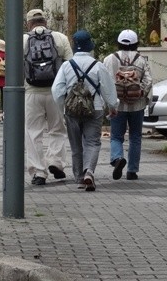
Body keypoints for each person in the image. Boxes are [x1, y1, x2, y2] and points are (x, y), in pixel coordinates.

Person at [52, 30, 119, 191]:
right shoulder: (98, 66)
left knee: (76, 147)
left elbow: (56, 90)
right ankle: (89, 171)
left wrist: (63, 105)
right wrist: (112, 106)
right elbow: (108, 90)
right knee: (92, 142)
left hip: (72, 111)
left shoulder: (67, 66)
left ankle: (80, 179)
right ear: (90, 46)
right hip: (94, 109)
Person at [23, 8, 73, 185]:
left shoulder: (23, 39)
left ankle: (39, 172)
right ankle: (56, 162)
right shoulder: (60, 38)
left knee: (33, 133)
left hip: (31, 92)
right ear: (45, 21)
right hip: (55, 92)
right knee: (57, 129)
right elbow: (69, 65)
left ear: (29, 23)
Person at [103, 29, 152, 181]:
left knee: (116, 136)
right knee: (135, 137)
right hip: (137, 105)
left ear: (118, 43)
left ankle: (117, 158)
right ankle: (132, 171)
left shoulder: (110, 59)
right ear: (136, 44)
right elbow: (148, 80)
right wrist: (140, 93)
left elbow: (104, 80)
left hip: (117, 105)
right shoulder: (141, 59)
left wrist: (109, 100)